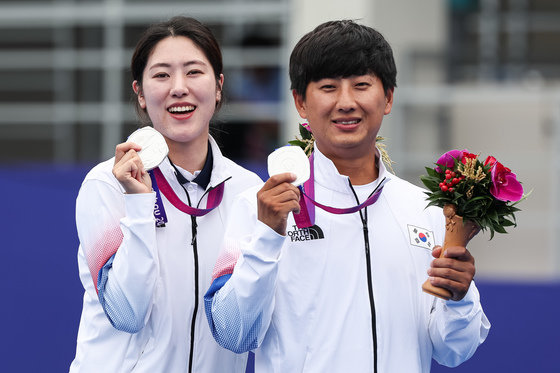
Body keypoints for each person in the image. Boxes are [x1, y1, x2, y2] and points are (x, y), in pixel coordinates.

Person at [204, 20, 490, 372]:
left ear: (387, 97)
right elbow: (233, 334)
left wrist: (460, 300)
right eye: (327, 87)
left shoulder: (423, 210)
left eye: (361, 86)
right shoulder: (259, 208)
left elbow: (454, 351)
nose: (346, 102)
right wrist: (266, 237)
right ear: (300, 103)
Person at [69, 16, 261, 373]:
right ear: (140, 93)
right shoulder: (106, 185)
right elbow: (127, 312)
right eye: (161, 75)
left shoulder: (248, 192)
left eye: (193, 72)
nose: (178, 88)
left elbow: (244, 332)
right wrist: (140, 204)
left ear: (218, 87)